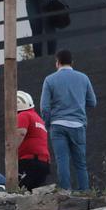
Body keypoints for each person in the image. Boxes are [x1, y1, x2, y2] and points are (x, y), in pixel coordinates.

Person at [40, 49, 97, 191]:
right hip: (78, 125)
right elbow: (93, 102)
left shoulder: (49, 80)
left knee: (62, 162)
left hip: (57, 126)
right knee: (80, 163)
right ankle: (85, 193)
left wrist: (48, 124)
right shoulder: (83, 78)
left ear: (57, 63)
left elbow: (44, 107)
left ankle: (66, 193)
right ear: (72, 62)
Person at [16, 90, 50, 190]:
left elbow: (21, 133)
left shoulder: (23, 115)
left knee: (18, 191)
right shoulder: (37, 118)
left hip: (29, 161)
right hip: (43, 162)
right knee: (31, 193)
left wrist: (11, 152)